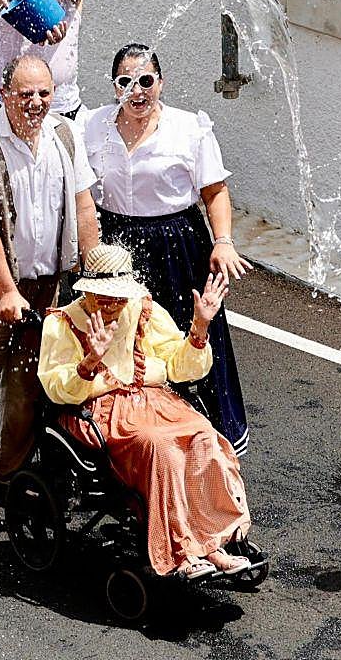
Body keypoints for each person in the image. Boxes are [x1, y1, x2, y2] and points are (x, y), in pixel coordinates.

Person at [0, 56, 100, 508]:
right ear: (5, 94)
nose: (35, 103)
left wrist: (96, 271)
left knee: (28, 387)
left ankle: (10, 471)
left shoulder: (66, 135)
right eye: (25, 94)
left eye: (44, 93)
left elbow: (84, 207)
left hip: (44, 285)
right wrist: (7, 290)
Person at [38, 243, 252, 579]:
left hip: (155, 400)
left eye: (118, 297)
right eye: (104, 297)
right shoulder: (62, 323)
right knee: (162, 447)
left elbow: (180, 368)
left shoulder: (143, 309)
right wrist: (91, 361)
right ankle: (180, 550)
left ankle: (211, 544)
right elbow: (55, 386)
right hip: (100, 410)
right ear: (88, 293)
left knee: (203, 436)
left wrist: (199, 328)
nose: (113, 305)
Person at [82, 44, 251, 450]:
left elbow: (215, 191)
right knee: (120, 335)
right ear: (114, 86)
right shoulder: (92, 125)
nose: (137, 91)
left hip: (176, 242)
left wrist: (223, 241)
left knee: (186, 331)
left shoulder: (189, 128)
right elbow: (81, 192)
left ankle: (212, 437)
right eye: (126, 82)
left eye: (146, 81)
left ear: (161, 82)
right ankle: (124, 434)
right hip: (116, 242)